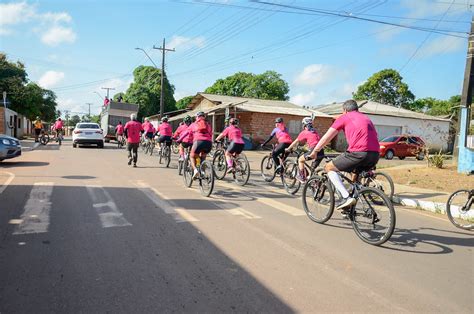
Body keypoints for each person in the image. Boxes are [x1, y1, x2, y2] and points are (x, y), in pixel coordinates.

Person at [307, 99, 380, 210]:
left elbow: (327, 137)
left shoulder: (345, 117)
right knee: (354, 177)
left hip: (358, 153)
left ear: (345, 110)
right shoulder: (366, 118)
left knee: (329, 167)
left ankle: (346, 197)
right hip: (375, 154)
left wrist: (315, 151)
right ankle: (351, 206)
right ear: (357, 109)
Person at [285, 117, 324, 183]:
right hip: (321, 151)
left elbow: (296, 141)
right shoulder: (315, 131)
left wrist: (288, 148)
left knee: (300, 160)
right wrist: (305, 148)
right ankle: (315, 182)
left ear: (304, 125)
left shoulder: (305, 132)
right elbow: (313, 142)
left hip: (313, 151)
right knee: (312, 169)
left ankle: (302, 177)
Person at [178, 111, 212, 179]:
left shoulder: (193, 124)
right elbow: (211, 134)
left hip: (198, 142)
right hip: (208, 143)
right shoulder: (208, 125)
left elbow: (186, 133)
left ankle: (196, 170)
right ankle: (202, 171)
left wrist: (179, 140)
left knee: (192, 156)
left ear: (197, 117)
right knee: (203, 155)